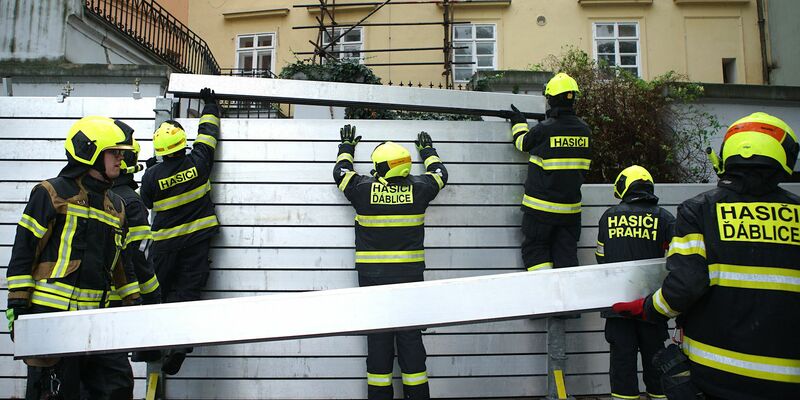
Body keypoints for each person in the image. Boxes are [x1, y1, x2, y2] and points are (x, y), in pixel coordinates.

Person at [612, 112, 800, 399]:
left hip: (713, 375)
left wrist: (649, 307)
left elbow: (685, 285)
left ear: (726, 157)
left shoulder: (700, 210)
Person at [5, 116, 141, 399]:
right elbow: (25, 248)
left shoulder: (116, 205)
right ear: (90, 152)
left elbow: (122, 266)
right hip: (52, 317)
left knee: (117, 388)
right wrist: (18, 305)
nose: (120, 159)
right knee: (54, 393)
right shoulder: (51, 193)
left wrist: (135, 308)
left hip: (98, 320)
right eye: (114, 152)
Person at [333, 125, 448, 400]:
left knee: (379, 344)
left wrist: (346, 147)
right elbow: (441, 174)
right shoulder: (420, 189)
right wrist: (428, 151)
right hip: (410, 280)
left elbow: (339, 174)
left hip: (373, 281)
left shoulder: (363, 189)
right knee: (410, 341)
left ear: (380, 168)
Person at [505, 72, 591, 399]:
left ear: (550, 100)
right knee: (566, 258)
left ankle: (544, 302)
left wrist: (517, 121)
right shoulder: (584, 131)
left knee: (536, 254)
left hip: (540, 210)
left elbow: (522, 143)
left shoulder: (544, 129)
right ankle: (565, 306)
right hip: (570, 212)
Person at [140, 87, 221, 375]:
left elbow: (144, 203)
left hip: (164, 247)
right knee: (188, 295)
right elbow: (208, 135)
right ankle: (179, 348)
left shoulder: (151, 176)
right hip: (198, 242)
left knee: (157, 294)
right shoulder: (198, 162)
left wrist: (153, 170)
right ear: (182, 143)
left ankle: (149, 346)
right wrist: (210, 104)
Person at [596, 165, 675, 400]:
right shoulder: (665, 218)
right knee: (657, 360)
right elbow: (676, 262)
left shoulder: (609, 216)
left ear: (624, 187)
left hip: (617, 303)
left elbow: (601, 258)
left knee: (622, 362)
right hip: (653, 304)